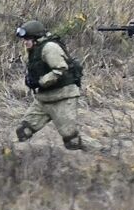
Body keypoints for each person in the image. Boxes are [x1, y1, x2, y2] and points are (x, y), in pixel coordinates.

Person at [15, 20, 87, 150]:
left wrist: (42, 81)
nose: (25, 42)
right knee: (23, 131)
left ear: (36, 39)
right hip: (44, 98)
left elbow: (60, 68)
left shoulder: (49, 48)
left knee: (72, 141)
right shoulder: (34, 50)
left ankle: (104, 152)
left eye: (27, 39)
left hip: (62, 98)